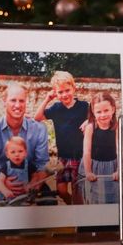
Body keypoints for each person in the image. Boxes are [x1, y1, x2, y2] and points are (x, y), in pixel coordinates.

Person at [0, 83, 51, 202]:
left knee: (50, 202)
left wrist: (32, 185)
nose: (17, 105)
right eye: (13, 100)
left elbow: (42, 165)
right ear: (4, 102)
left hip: (30, 183)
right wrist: (2, 186)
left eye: (21, 101)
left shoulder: (39, 129)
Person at [34, 71, 90, 204]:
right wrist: (47, 99)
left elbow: (94, 119)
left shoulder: (83, 106)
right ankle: (72, 205)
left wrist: (89, 121)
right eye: (60, 92)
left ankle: (77, 210)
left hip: (79, 156)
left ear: (73, 88)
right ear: (55, 93)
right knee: (61, 190)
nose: (64, 94)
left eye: (67, 90)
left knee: (77, 190)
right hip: (62, 157)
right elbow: (37, 117)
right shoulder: (56, 108)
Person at [81, 93, 120, 204]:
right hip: (94, 166)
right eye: (99, 112)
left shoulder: (117, 127)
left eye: (106, 110)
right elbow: (87, 152)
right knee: (95, 198)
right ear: (93, 112)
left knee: (114, 197)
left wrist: (118, 170)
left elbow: (119, 150)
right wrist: (88, 172)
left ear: (113, 109)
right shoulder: (90, 128)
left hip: (112, 167)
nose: (103, 115)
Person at [0, 137, 40, 204]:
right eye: (13, 152)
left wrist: (31, 184)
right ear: (7, 155)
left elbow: (35, 176)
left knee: (34, 201)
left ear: (25, 153)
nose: (17, 154)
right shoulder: (6, 166)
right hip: (8, 194)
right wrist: (5, 191)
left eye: (20, 151)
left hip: (24, 195)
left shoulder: (28, 165)